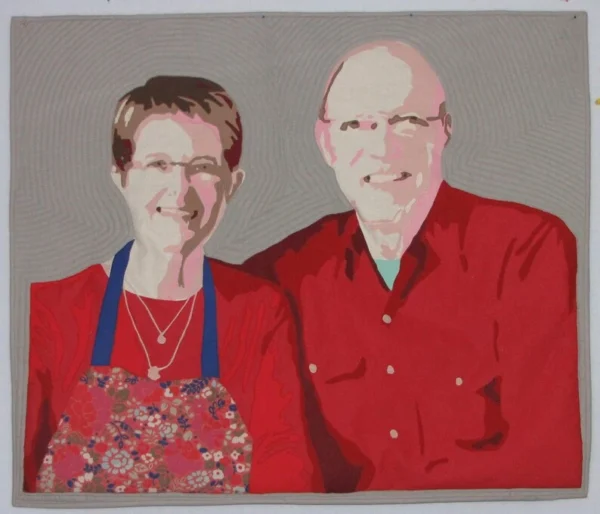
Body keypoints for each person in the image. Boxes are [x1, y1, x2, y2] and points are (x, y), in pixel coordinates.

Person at [243, 41, 583, 491]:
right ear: (326, 143)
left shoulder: (526, 248)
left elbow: (547, 464)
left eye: (405, 122)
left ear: (444, 129)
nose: (382, 148)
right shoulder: (275, 278)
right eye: (356, 125)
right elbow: (275, 470)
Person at [24, 75, 320, 494]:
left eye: (202, 168)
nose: (180, 191)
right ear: (121, 176)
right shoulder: (49, 310)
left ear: (232, 185)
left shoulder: (258, 308)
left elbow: (288, 469)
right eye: (159, 164)